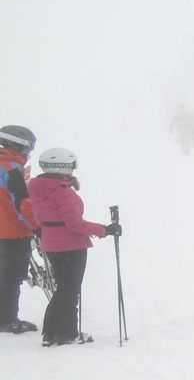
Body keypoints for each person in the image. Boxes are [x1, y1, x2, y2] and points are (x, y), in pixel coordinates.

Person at [26, 147, 119, 347]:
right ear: (61, 167)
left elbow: (39, 218)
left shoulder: (36, 187)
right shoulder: (62, 191)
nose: (73, 170)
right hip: (71, 245)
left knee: (62, 289)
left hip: (51, 243)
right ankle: (67, 334)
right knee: (70, 291)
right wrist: (106, 230)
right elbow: (75, 224)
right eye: (71, 166)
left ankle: (50, 333)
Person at [0, 125, 40, 334]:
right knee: (11, 277)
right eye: (28, 146)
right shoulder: (12, 169)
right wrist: (37, 226)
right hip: (13, 232)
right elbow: (22, 203)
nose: (30, 151)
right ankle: (6, 320)